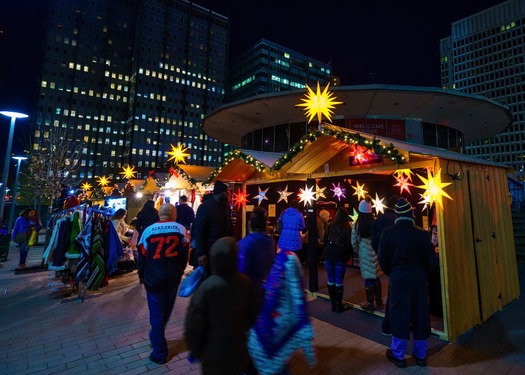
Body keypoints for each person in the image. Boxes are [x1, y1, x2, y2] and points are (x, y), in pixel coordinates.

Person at [378, 198, 437, 368]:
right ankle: (421, 355)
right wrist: (422, 272)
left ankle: (398, 356)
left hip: (398, 279)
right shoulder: (422, 234)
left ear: (397, 214)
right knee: (421, 314)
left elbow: (383, 260)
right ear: (411, 213)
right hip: (419, 279)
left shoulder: (387, 233)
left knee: (399, 314)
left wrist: (394, 273)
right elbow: (431, 260)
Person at [184, 236, 257, 374]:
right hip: (238, 348)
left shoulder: (206, 288)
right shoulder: (245, 283)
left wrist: (195, 350)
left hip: (212, 353)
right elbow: (253, 313)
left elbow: (194, 323)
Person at [247, 250, 316, 375]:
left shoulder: (270, 290)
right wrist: (310, 355)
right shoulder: (289, 302)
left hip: (257, 343)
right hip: (269, 347)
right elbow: (299, 307)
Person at [137, 204, 189, 365]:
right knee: (165, 311)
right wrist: (179, 272)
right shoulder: (180, 229)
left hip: (153, 278)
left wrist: (142, 277)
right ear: (173, 214)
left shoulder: (148, 231)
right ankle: (158, 341)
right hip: (172, 278)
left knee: (157, 313)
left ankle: (159, 348)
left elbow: (142, 257)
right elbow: (184, 254)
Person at [371, 194, 400, 335]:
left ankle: (388, 325)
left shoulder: (380, 219)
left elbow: (373, 239)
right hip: (398, 262)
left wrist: (380, 256)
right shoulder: (397, 220)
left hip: (386, 260)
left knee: (392, 292)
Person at [237, 207, 275, 310]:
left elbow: (239, 270)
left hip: (248, 292)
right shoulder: (270, 242)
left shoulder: (244, 244)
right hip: (265, 290)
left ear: (250, 224)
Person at [192, 181, 233, 271]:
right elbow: (199, 230)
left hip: (223, 249)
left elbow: (228, 226)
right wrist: (201, 252)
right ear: (220, 192)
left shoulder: (225, 206)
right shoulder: (205, 207)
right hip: (209, 249)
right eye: (226, 192)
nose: (227, 194)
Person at [352, 195, 383, 311]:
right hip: (375, 252)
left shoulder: (357, 225)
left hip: (364, 253)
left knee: (368, 278)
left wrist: (357, 251)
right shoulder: (376, 223)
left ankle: (370, 303)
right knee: (376, 276)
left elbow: (354, 241)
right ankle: (379, 301)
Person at [322, 207, 353, 313]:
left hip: (328, 253)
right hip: (340, 254)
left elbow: (325, 240)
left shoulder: (330, 225)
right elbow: (349, 244)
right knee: (339, 280)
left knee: (330, 279)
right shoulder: (347, 227)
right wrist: (348, 256)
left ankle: (333, 305)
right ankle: (338, 306)